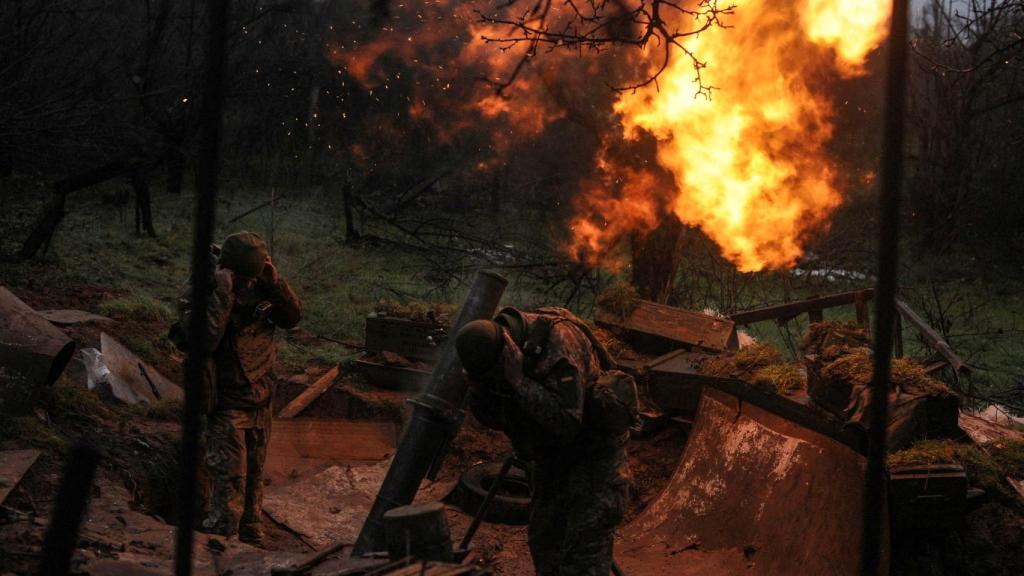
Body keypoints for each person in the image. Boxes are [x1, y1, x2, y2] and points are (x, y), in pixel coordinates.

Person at [455, 307, 633, 576]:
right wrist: (479, 390)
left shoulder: (559, 342)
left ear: (507, 349)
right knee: (546, 547)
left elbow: (567, 422)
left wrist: (518, 381)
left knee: (583, 561)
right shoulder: (491, 351)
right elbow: (496, 419)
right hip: (551, 463)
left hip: (594, 463)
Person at [177, 231, 302, 545]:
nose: (249, 284)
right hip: (226, 398)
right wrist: (223, 293)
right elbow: (205, 339)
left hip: (261, 393)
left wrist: (276, 284)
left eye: (253, 277)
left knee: (256, 472)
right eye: (243, 278)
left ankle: (250, 530)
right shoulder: (202, 289)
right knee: (228, 475)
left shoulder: (263, 282)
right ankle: (222, 539)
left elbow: (292, 318)